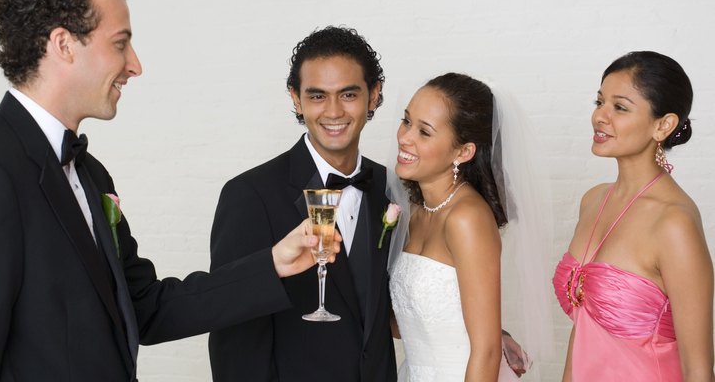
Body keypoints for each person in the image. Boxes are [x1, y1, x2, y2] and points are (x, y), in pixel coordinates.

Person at [0, 0, 340, 380]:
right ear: (64, 44)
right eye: (120, 44)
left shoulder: (90, 174)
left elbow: (145, 307)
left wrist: (272, 264)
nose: (135, 65)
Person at [207, 25, 397, 381]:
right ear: (296, 98)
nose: (334, 111)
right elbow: (235, 339)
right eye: (317, 96)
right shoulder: (250, 195)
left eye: (349, 94)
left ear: (374, 95)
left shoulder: (392, 188)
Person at [552, 51, 713, 381]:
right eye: (600, 102)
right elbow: (585, 334)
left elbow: (699, 369)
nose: (600, 116)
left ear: (663, 125)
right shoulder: (593, 200)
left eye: (620, 107)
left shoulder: (673, 222)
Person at [387, 73, 553, 381]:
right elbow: (408, 324)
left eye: (424, 132)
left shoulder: (467, 218)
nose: (405, 137)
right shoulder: (412, 212)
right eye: (406, 121)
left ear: (463, 152)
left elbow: (487, 350)